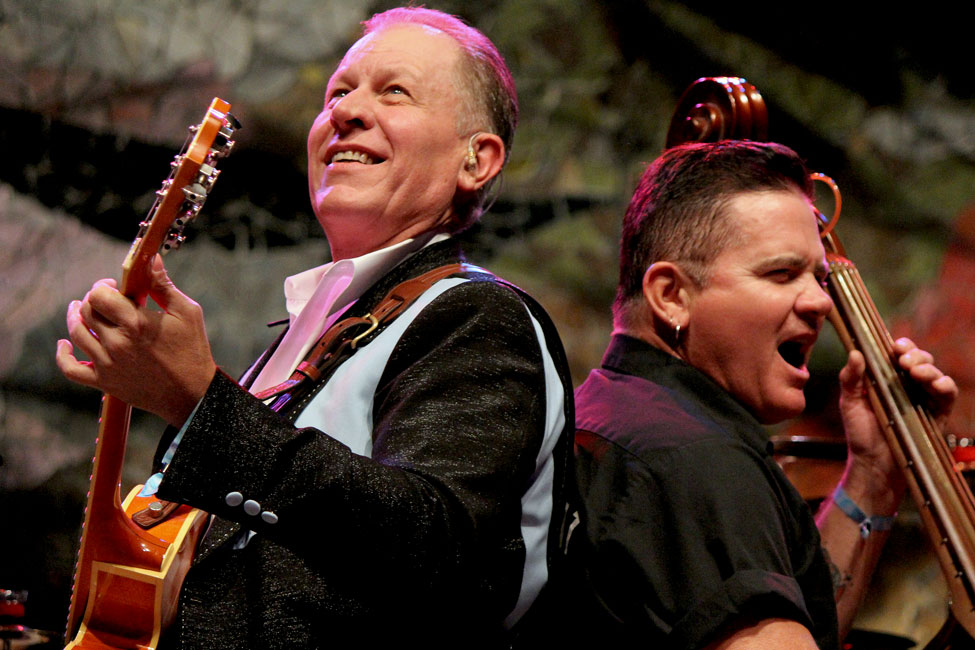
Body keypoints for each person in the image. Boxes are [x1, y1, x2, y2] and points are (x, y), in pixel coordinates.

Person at [56, 8, 574, 648]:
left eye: (394, 91)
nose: (347, 111)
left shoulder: (478, 316)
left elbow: (438, 549)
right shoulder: (319, 331)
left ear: (476, 159)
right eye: (338, 92)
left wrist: (200, 404)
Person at [573, 141, 957, 648]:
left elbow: (799, 622)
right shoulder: (700, 461)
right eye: (781, 273)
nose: (822, 300)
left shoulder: (608, 411)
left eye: (818, 277)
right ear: (670, 295)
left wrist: (873, 473)